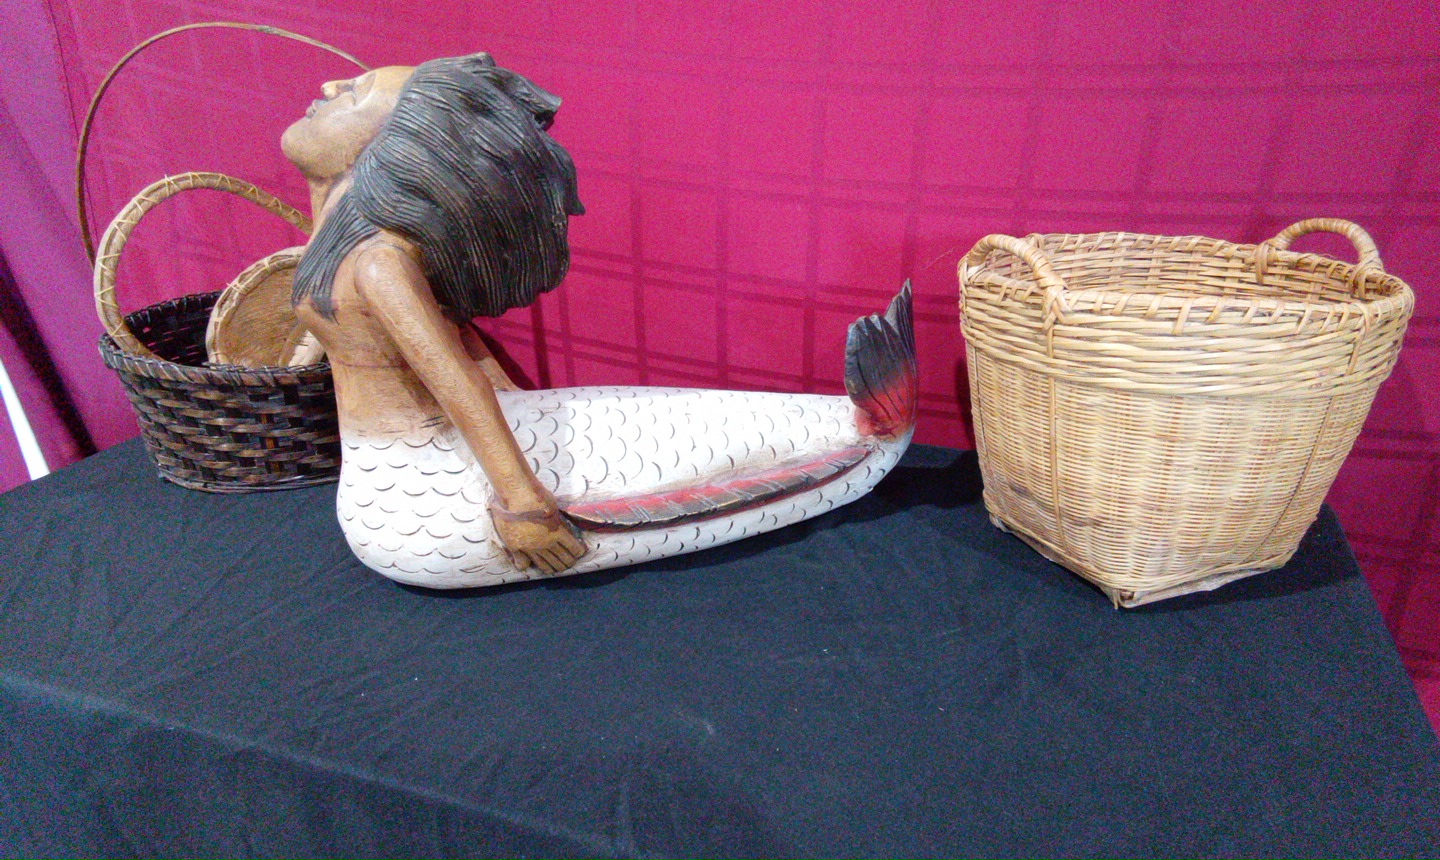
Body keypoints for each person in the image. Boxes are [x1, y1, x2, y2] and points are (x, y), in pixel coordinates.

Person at [285, 54, 917, 589]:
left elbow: (453, 376)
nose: (330, 87)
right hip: (409, 486)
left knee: (677, 441)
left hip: (414, 489)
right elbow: (437, 341)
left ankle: (867, 431)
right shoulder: (355, 247)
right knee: (650, 438)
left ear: (386, 147)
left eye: (353, 93)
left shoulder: (379, 263)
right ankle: (866, 425)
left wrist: (525, 505)